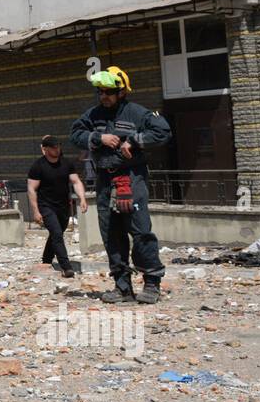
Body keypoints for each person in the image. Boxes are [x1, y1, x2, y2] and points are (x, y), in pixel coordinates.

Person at [69, 66, 170, 304]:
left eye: (109, 92)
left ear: (122, 91)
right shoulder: (93, 115)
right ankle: (122, 287)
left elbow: (163, 132)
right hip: (105, 180)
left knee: (141, 231)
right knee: (111, 234)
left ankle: (152, 284)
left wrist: (135, 140)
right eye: (100, 91)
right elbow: (75, 134)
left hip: (131, 178)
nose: (103, 96)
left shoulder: (137, 113)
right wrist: (97, 138)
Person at [27, 135, 88, 277]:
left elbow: (76, 182)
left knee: (57, 233)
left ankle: (46, 260)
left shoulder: (66, 163)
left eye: (58, 146)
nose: (57, 149)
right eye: (53, 147)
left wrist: (82, 198)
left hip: (62, 206)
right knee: (56, 234)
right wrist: (35, 211)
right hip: (46, 206)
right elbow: (31, 189)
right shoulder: (38, 166)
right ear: (45, 149)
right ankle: (66, 267)